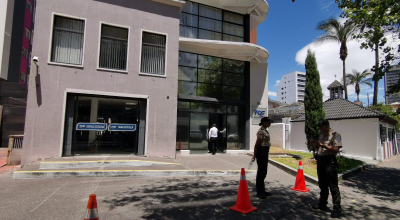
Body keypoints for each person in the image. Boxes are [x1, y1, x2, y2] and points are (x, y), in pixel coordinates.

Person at [310, 119, 343, 218]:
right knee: (322, 184)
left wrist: (323, 145)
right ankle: (322, 203)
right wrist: (315, 145)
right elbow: (319, 148)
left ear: (327, 125)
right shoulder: (321, 135)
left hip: (330, 162)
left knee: (333, 186)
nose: (321, 129)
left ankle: (337, 208)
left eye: (322, 127)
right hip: (321, 162)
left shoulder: (336, 135)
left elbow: (336, 149)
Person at [252, 117, 273, 199]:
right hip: (261, 152)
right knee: (261, 172)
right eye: (268, 122)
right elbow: (257, 144)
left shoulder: (265, 131)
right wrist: (254, 155)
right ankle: (259, 192)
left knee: (264, 172)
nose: (270, 123)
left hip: (265, 151)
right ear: (264, 122)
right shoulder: (261, 132)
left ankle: (263, 190)